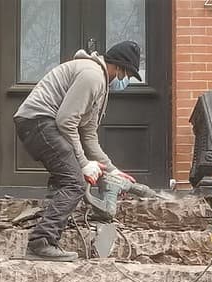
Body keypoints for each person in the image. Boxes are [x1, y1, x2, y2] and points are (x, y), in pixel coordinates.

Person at [13, 40, 142, 261]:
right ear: (120, 68)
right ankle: (41, 242)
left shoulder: (100, 85)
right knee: (75, 182)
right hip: (37, 122)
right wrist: (83, 164)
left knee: (68, 174)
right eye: (128, 74)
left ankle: (51, 216)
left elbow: (89, 136)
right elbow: (65, 121)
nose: (125, 80)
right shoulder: (92, 76)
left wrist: (113, 171)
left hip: (43, 123)